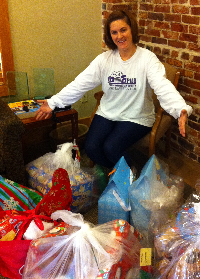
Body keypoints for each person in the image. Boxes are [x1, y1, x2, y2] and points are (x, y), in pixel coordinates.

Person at [35, 10, 192, 169]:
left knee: (111, 147)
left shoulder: (147, 59)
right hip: (108, 111)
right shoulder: (104, 60)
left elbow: (161, 85)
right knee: (91, 147)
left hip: (137, 115)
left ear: (132, 30)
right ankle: (117, 172)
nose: (119, 36)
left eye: (123, 30)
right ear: (110, 36)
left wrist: (180, 109)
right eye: (114, 32)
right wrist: (53, 102)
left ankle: (129, 174)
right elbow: (80, 83)